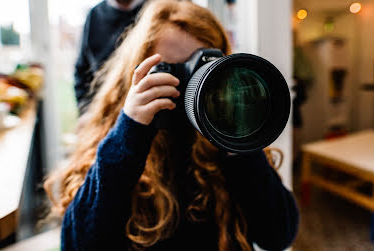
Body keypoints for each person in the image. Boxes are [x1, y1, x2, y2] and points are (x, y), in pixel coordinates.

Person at [45, 1, 299, 250]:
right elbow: (78, 243)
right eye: (173, 71)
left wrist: (238, 137)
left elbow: (277, 236)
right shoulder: (117, 142)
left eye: (203, 69)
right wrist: (128, 134)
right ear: (138, 74)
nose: (191, 86)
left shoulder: (228, 141)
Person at [74, 0, 147, 115]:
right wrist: (86, 112)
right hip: (104, 113)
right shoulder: (95, 15)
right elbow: (82, 70)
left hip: (147, 110)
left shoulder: (154, 9)